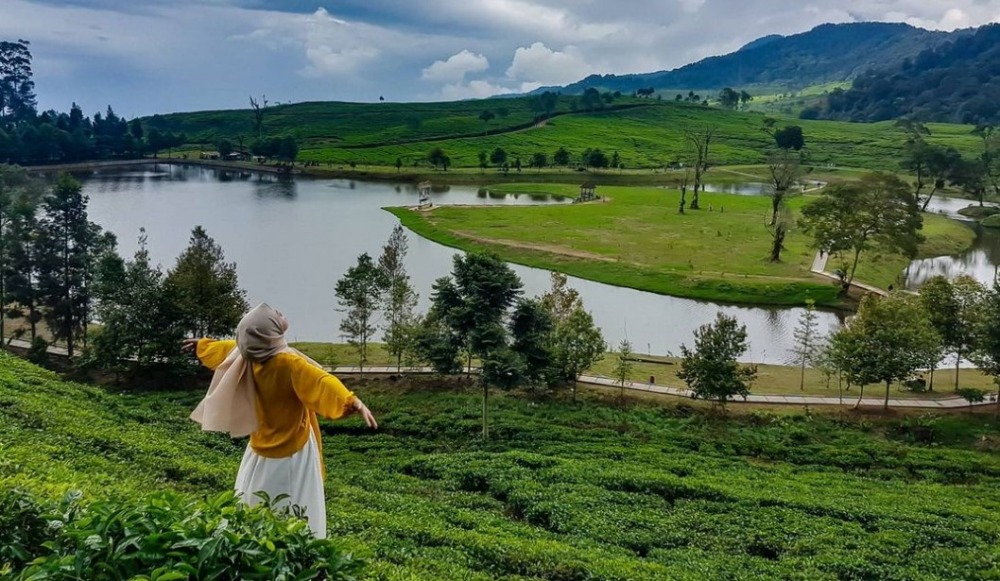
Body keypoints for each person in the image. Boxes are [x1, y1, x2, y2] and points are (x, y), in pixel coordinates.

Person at [184, 303, 377, 538]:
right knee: (296, 503)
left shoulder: (248, 356)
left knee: (253, 500)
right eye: (274, 315)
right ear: (268, 333)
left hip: (260, 445)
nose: (279, 313)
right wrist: (351, 401)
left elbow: (228, 350)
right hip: (293, 448)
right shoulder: (288, 364)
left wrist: (202, 346)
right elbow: (321, 381)